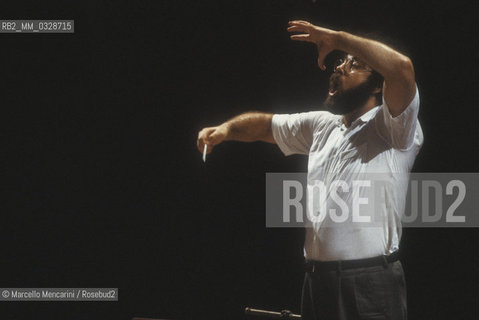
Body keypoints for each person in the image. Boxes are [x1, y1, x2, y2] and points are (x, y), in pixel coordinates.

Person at [197, 20, 422, 320]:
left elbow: (402, 68)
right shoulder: (322, 125)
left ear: (378, 84)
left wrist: (339, 38)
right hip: (317, 280)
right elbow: (266, 125)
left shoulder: (392, 128)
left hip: (369, 281)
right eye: (340, 61)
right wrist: (225, 129)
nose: (339, 67)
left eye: (355, 65)